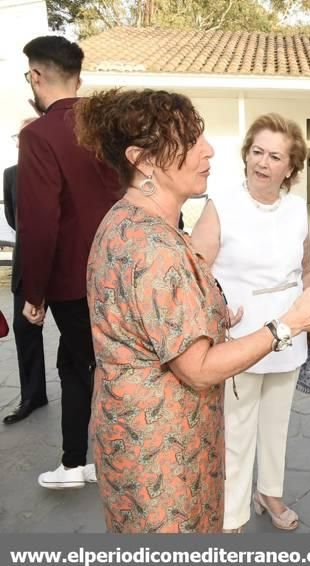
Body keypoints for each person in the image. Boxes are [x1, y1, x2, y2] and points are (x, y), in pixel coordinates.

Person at [76, 89, 310, 533]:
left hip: (146, 440)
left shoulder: (128, 222)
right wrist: (289, 324)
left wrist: (218, 316)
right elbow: (197, 369)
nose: (210, 150)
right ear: (143, 159)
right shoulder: (154, 247)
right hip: (160, 455)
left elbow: (160, 317)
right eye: (191, 140)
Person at [191, 113, 310, 532]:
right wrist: (216, 311)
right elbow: (193, 275)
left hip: (289, 334)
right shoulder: (220, 205)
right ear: (246, 156)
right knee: (237, 427)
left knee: (276, 423)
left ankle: (270, 493)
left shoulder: (297, 209)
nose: (263, 162)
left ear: (291, 168)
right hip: (239, 337)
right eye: (257, 152)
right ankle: (232, 514)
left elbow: (306, 269)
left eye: (275, 156)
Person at [16, 36, 120, 488]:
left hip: (73, 281)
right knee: (75, 365)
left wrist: (33, 294)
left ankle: (118, 459)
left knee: (102, 368)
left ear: (37, 76)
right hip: (117, 269)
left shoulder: (39, 135)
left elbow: (40, 222)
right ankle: (75, 461)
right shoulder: (107, 127)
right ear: (79, 75)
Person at [3, 117, 49, 425]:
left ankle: (89, 399)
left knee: (78, 338)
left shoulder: (62, 171)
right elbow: (12, 218)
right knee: (24, 331)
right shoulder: (10, 175)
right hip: (26, 264)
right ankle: (33, 395)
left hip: (65, 266)